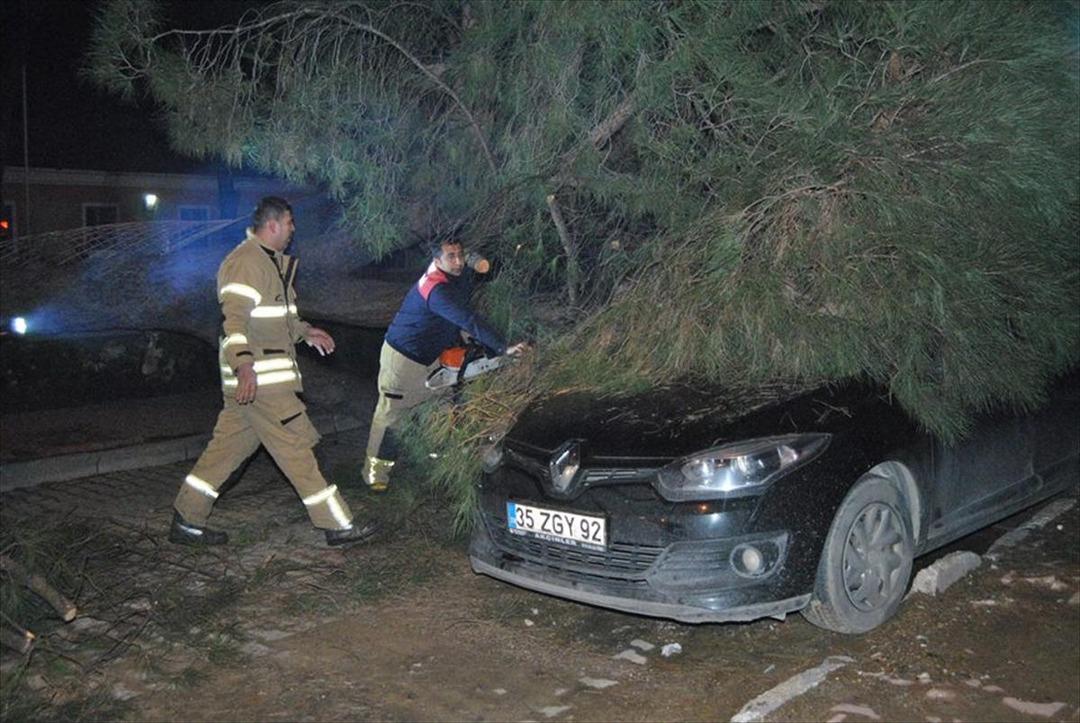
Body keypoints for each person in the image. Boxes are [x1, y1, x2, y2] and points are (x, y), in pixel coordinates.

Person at [169, 196, 379, 547]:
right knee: (296, 448)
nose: (294, 230)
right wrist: (245, 366)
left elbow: (278, 318)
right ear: (273, 225)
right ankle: (338, 525)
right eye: (290, 223)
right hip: (261, 381)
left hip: (255, 384)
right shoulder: (246, 263)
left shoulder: (270, 263)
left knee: (225, 452)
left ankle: (186, 519)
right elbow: (233, 323)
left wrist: (305, 331)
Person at [363, 238, 525, 492]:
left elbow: (459, 318)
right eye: (451, 256)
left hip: (430, 356)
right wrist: (502, 347)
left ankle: (439, 465)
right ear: (437, 261)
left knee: (443, 405)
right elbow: (467, 318)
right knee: (391, 416)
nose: (459, 261)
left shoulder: (453, 278)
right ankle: (376, 476)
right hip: (403, 360)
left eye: (461, 255)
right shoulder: (435, 289)